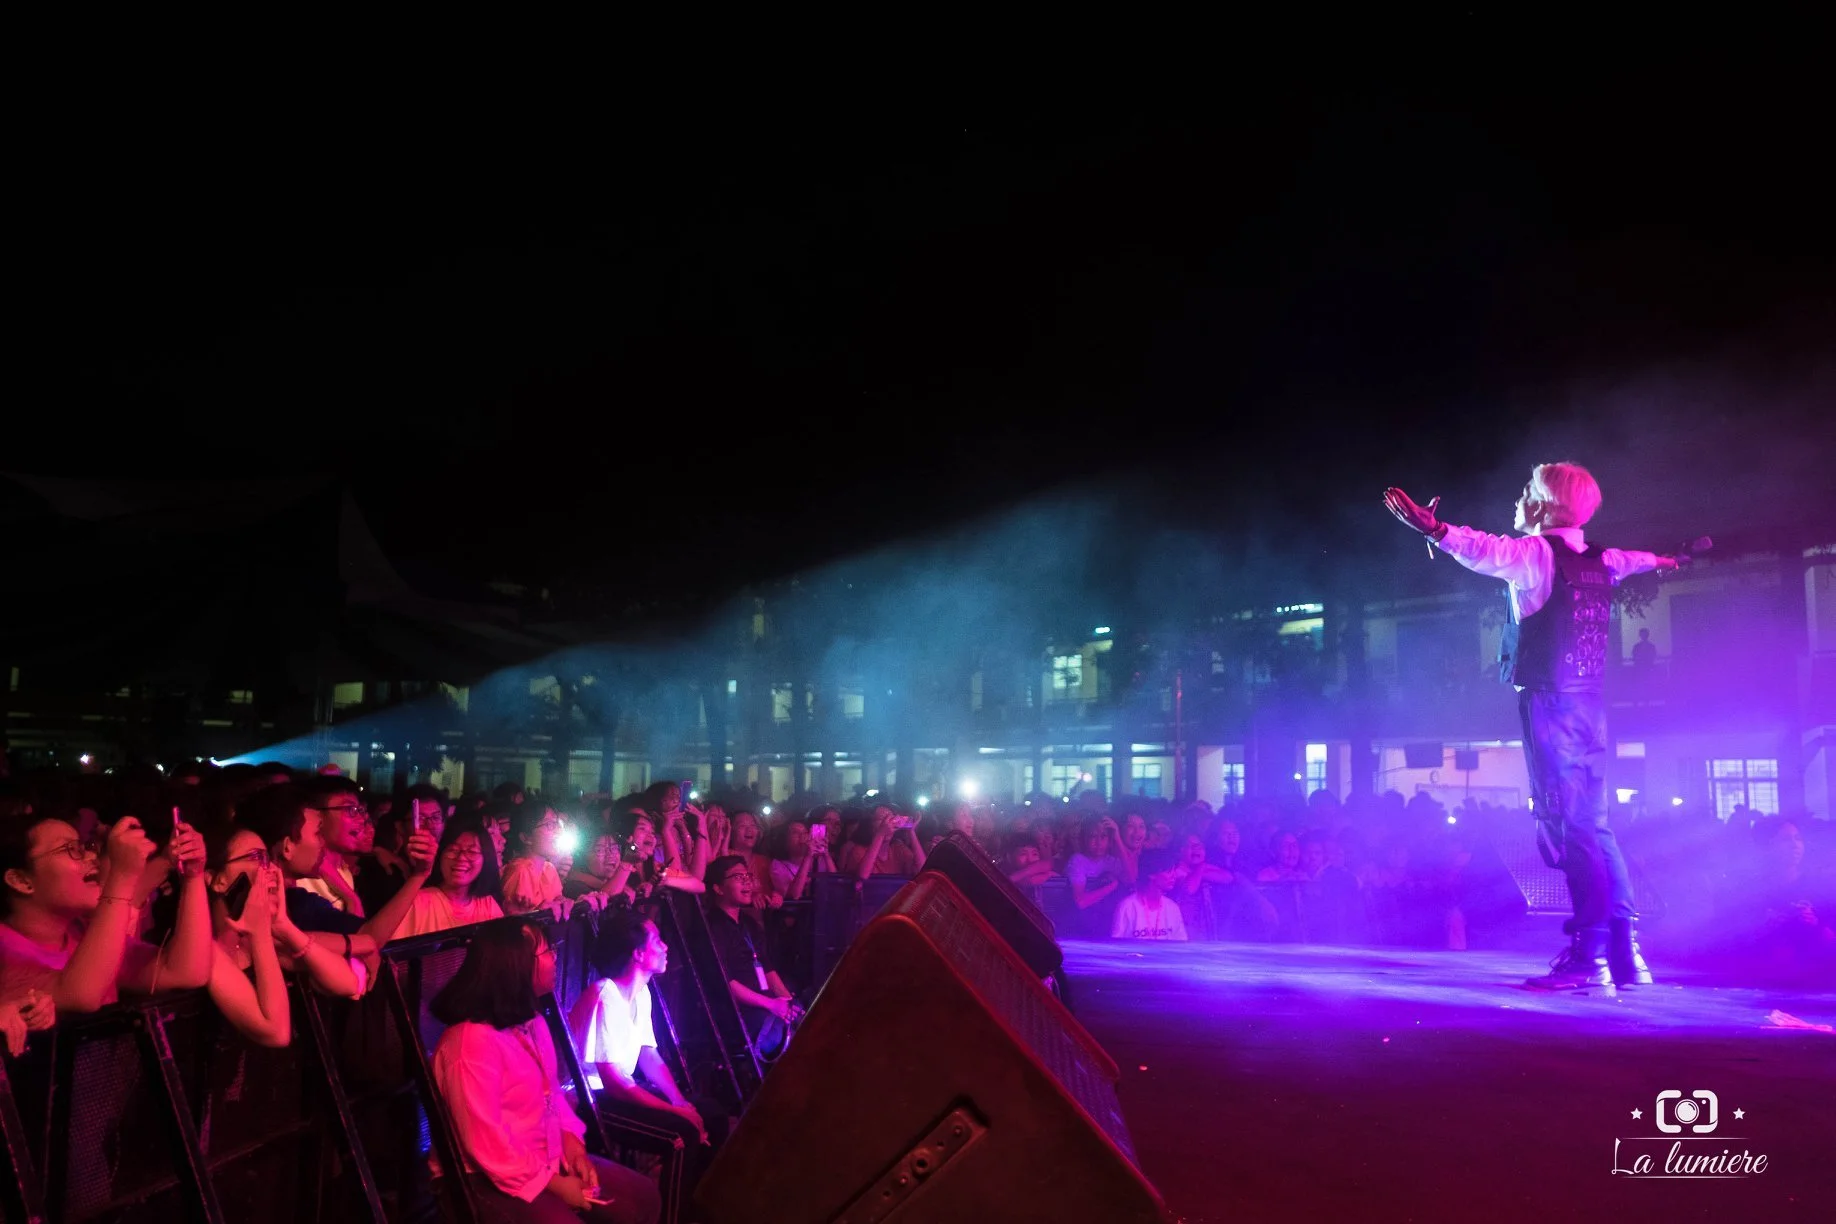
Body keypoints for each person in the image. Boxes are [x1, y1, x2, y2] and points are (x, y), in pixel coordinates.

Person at [1386, 463, 1679, 990]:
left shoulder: (1536, 555)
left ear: (1545, 506)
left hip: (1552, 706)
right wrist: (1661, 560)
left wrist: (1434, 530)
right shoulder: (1601, 560)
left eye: (1527, 491)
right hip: (1592, 709)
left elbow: (1483, 549)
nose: (1518, 499)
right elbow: (1630, 561)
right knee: (1597, 826)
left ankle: (1588, 957)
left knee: (1569, 828)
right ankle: (1624, 952)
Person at [430, 918, 659, 1224]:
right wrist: (554, 1186)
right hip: (479, 1177)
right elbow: (486, 1144)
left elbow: (551, 1095)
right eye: (548, 951)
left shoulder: (532, 1022)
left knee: (642, 1197)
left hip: (541, 1158)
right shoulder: (469, 1043)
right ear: (516, 965)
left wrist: (574, 1148)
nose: (555, 957)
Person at [569, 908, 725, 1194]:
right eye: (657, 941)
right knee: (682, 1133)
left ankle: (700, 1205)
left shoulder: (641, 992)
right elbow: (614, 1083)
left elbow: (648, 1055)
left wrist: (679, 1102)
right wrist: (675, 1113)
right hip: (589, 1100)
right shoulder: (606, 995)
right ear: (637, 953)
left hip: (617, 1091)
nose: (665, 947)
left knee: (711, 1114)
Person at [702, 855, 800, 1059]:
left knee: (806, 1018)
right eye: (738, 876)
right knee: (792, 1042)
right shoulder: (711, 928)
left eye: (747, 875)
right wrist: (772, 1005)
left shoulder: (748, 923)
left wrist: (787, 1001)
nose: (747, 880)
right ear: (718, 888)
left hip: (767, 1004)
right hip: (740, 1013)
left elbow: (767, 968)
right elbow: (725, 983)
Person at [394, 814, 506, 940]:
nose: (461, 858)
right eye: (453, 849)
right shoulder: (418, 902)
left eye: (472, 851)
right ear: (440, 855)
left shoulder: (487, 905)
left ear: (485, 859)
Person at [1111, 849, 1189, 941]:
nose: (1173, 876)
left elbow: (1181, 945)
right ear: (1151, 875)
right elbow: (1116, 946)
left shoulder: (1172, 908)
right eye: (1168, 871)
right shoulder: (1127, 907)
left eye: (1173, 870)